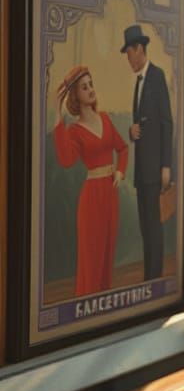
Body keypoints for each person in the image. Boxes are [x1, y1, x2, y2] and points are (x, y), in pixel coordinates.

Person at [53, 65, 129, 296]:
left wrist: (120, 172)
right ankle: (86, 305)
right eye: (84, 87)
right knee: (91, 255)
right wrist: (58, 115)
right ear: (75, 96)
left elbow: (123, 148)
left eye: (91, 84)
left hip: (110, 194)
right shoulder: (74, 131)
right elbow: (66, 160)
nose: (90, 89)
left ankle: (103, 307)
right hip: (91, 196)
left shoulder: (105, 119)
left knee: (107, 252)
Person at [120, 24, 173, 281]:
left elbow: (166, 122)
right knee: (145, 225)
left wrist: (166, 166)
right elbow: (140, 124)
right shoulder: (137, 83)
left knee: (153, 224)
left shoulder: (157, 76)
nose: (128, 58)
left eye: (129, 52)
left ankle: (155, 276)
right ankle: (148, 277)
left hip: (154, 168)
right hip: (141, 169)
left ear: (139, 49)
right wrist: (131, 132)